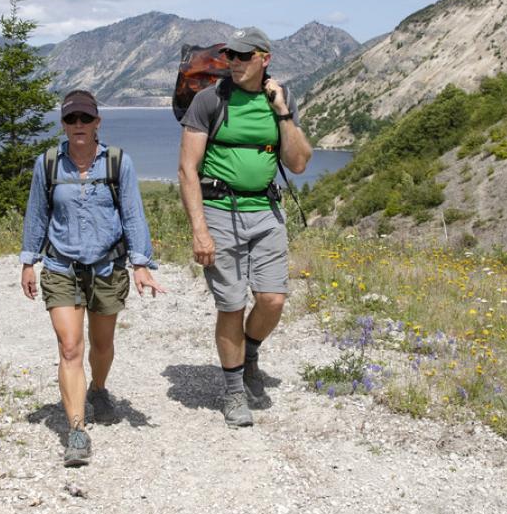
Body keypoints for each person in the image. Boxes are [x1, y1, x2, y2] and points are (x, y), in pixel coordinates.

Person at [20, 90, 164, 467]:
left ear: (98, 122)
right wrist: (28, 261)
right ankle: (77, 430)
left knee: (102, 345)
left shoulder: (118, 163)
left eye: (86, 119)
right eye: (72, 120)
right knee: (70, 348)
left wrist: (141, 264)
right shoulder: (48, 164)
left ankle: (99, 388)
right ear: (63, 124)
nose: (79, 126)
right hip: (61, 267)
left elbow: (133, 214)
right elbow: (36, 214)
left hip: (107, 268)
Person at [177, 26, 312, 427]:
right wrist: (199, 229)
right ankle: (234, 390)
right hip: (220, 211)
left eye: (242, 56)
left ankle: (249, 352)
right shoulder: (209, 100)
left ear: (263, 58)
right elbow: (187, 169)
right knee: (231, 304)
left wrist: (282, 112)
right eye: (230, 56)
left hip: (266, 213)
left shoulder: (281, 101)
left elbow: (299, 162)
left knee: (273, 300)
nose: (233, 63)